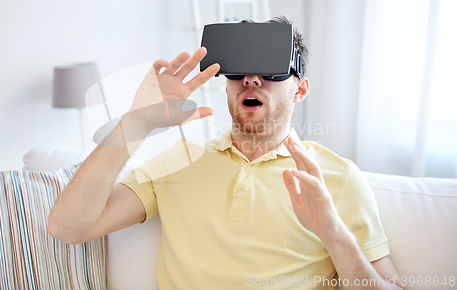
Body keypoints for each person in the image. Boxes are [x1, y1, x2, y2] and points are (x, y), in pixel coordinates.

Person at [48, 17, 405, 289]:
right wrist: (136, 122)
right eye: (239, 70)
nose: (252, 80)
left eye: (272, 71)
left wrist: (335, 235)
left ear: (300, 90)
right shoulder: (177, 162)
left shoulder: (336, 179)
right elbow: (67, 226)